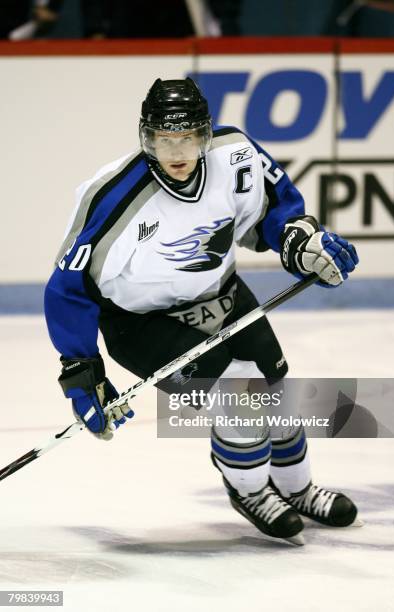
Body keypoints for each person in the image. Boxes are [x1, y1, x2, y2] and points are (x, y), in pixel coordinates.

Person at [44, 78, 360, 546]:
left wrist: (299, 241)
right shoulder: (111, 197)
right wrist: (81, 367)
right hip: (143, 323)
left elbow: (275, 212)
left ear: (206, 134)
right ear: (145, 137)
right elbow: (68, 286)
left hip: (224, 294)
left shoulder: (236, 154)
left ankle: (298, 488)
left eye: (188, 138)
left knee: (278, 395)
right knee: (239, 399)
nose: (176, 151)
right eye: (163, 139)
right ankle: (250, 490)